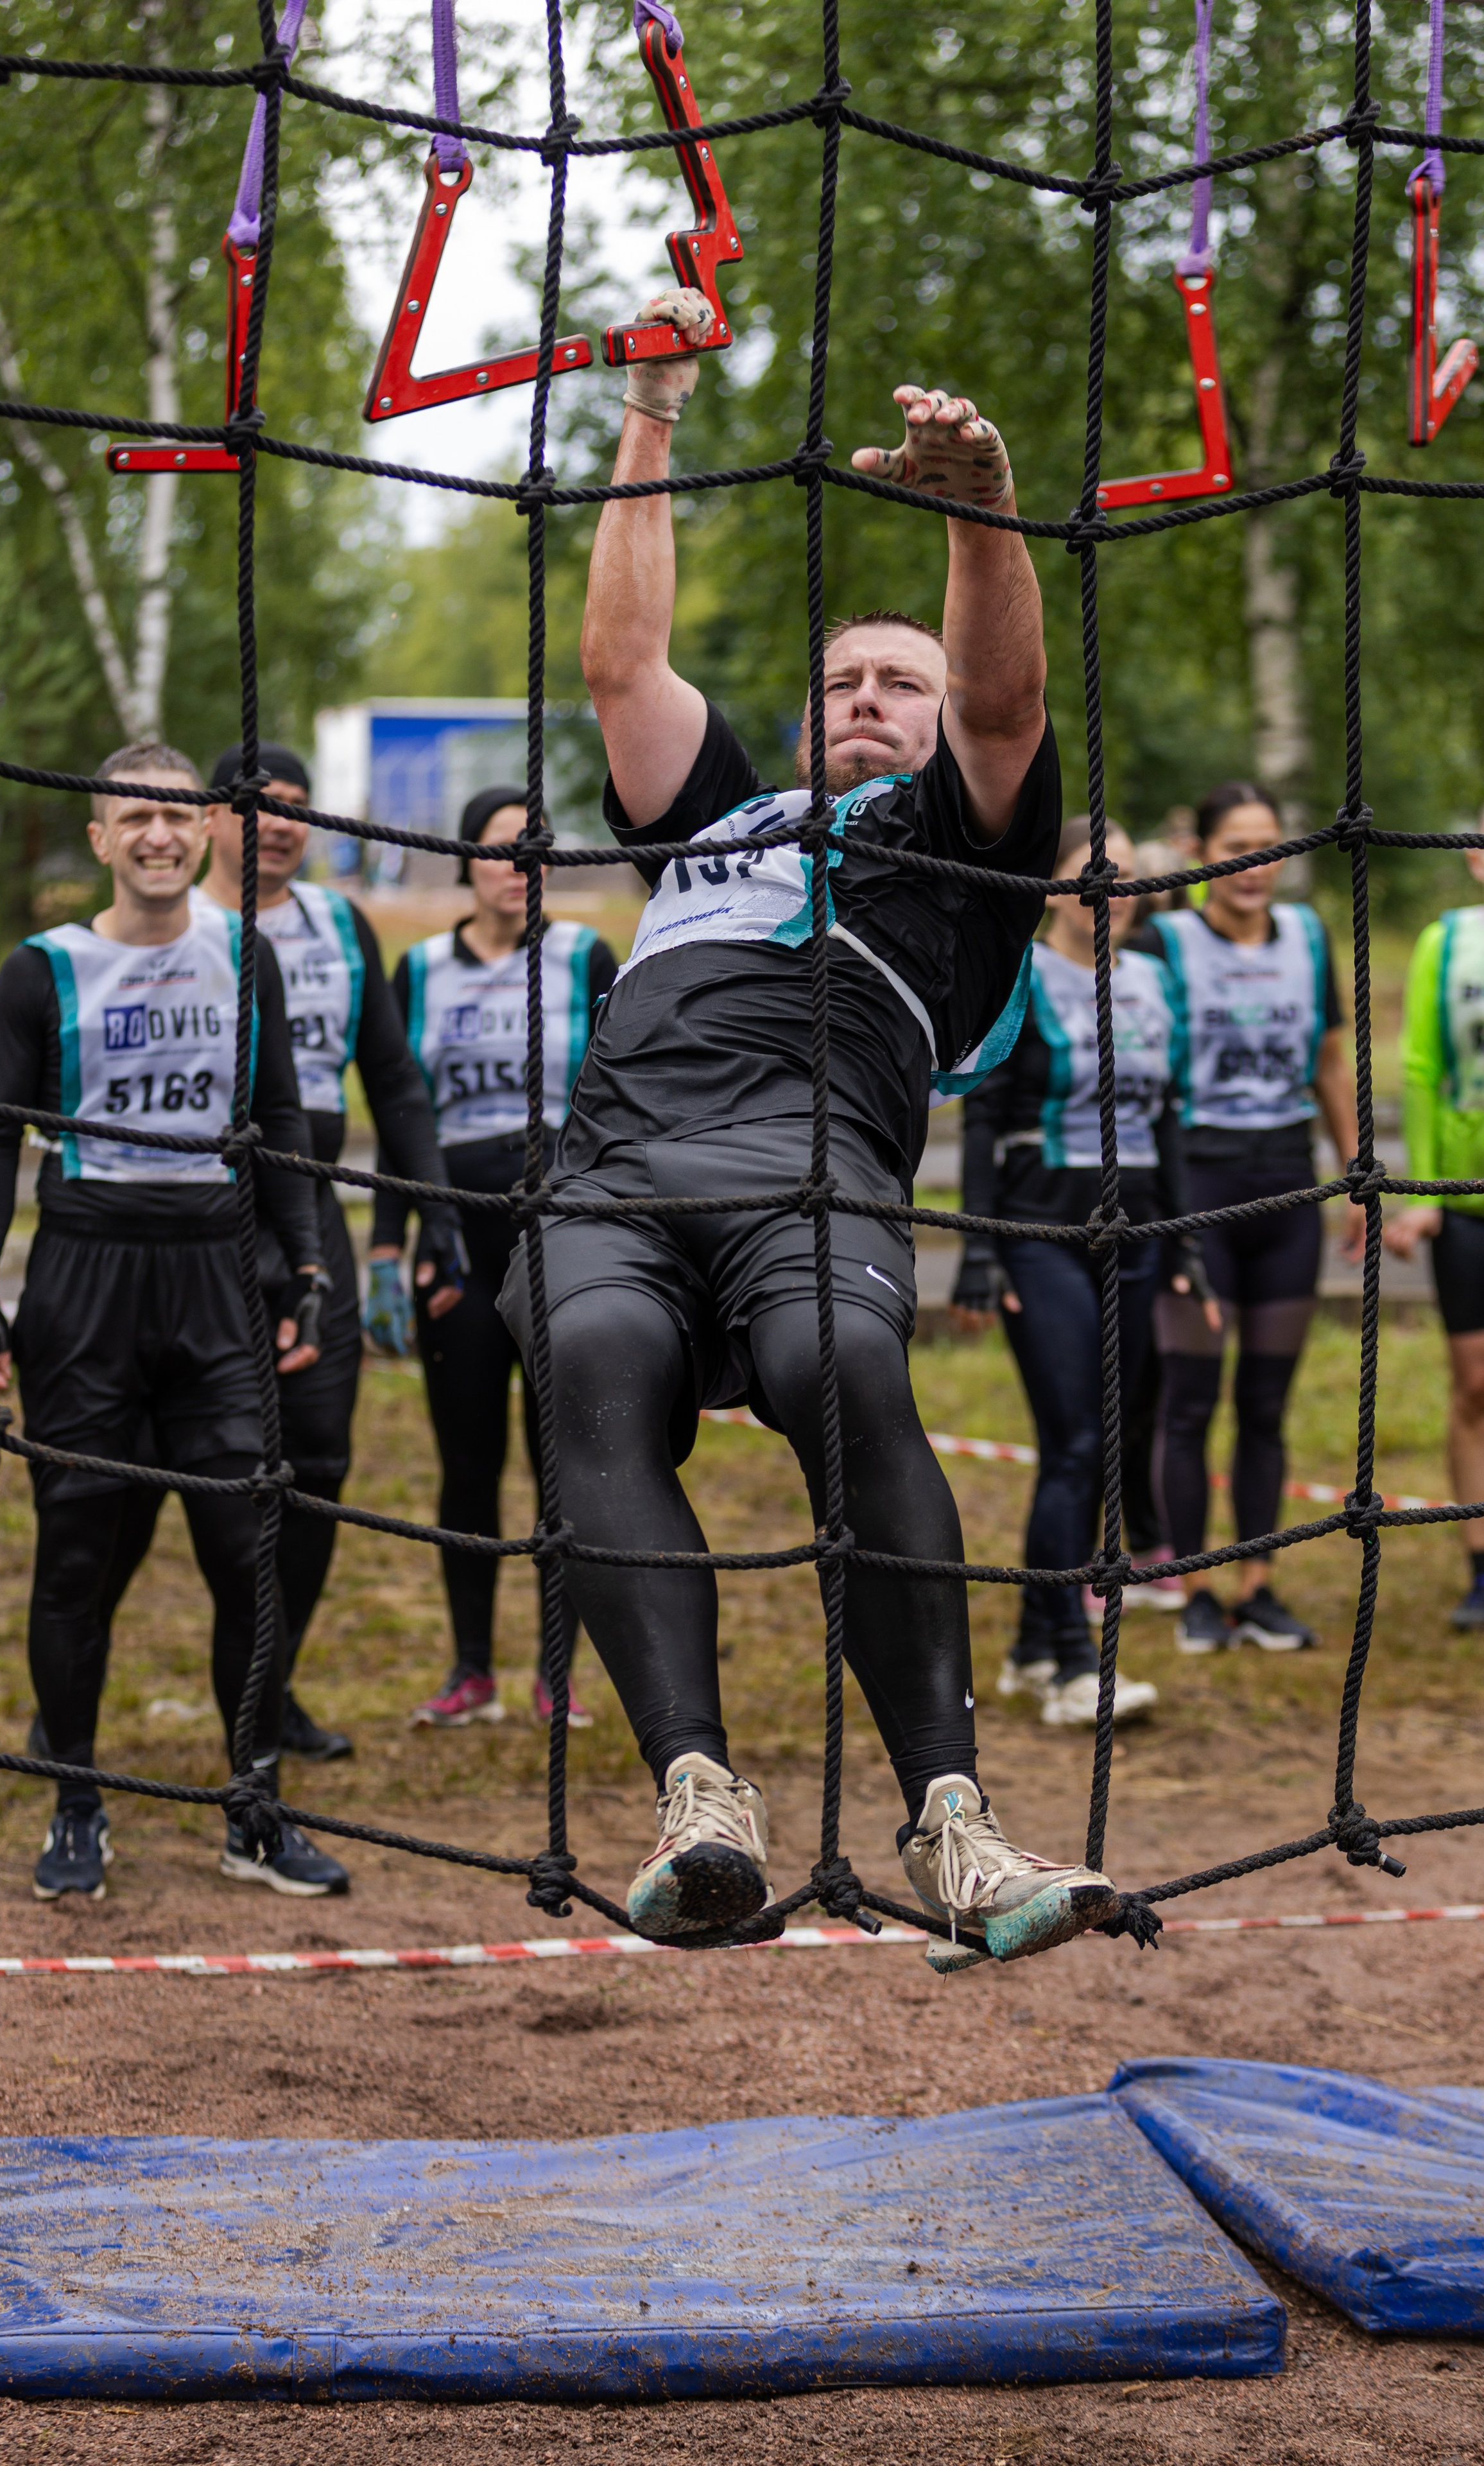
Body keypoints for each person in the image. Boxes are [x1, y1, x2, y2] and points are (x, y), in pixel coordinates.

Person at [492, 284, 1122, 1973]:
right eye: (841, 678)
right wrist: (652, 405)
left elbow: (1002, 711)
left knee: (845, 1380)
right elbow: (623, 661)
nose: (866, 694)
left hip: (809, 1179)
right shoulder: (722, 821)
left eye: (895, 681)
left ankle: (956, 1825)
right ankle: (700, 1797)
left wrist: (979, 522)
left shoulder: (967, 845)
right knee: (592, 1363)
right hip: (617, 1170)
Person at [0, 740, 348, 1903]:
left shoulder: (247, 954)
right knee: (77, 1551)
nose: (159, 835)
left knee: (248, 1548)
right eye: (134, 817)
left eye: (177, 816)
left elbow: (278, 1113)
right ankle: (76, 1802)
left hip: (217, 1275)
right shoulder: (41, 971)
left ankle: (254, 1807)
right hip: (83, 1278)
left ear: (206, 829)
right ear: (100, 838)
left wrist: (308, 1261)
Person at [193, 742, 467, 1757]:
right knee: (141, 1467)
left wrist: (433, 1209)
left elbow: (394, 1080)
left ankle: (269, 1688)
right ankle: (69, 1699)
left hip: (307, 1205)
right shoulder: (172, 921)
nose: (284, 822)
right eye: (262, 805)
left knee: (318, 1459)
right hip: (189, 1204)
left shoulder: (339, 926)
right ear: (215, 819)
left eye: (300, 807)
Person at [952, 817, 1219, 1726]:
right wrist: (981, 1250)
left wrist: (1184, 1240)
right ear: (1054, 884)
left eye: (1131, 874)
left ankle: (1032, 1644)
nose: (1115, 887)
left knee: (1104, 1442)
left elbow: (1172, 1118)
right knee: (1072, 1444)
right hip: (1042, 1233)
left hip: (1139, 1235)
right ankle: (1072, 1663)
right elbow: (981, 1121)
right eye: (1094, 870)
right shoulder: (1017, 974)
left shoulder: (1153, 980)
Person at [390, 786, 617, 1730]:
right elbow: (404, 1117)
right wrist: (391, 1245)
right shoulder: (418, 969)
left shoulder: (582, 956)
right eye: (498, 848)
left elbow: (617, 1100)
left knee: (561, 1462)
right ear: (466, 860)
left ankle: (554, 1676)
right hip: (459, 1239)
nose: (516, 864)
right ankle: (470, 1665)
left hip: (560, 1234)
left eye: (534, 848)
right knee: (468, 1460)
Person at [1152, 781, 1363, 1654]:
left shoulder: (1309, 938)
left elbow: (1327, 1058)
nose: (1259, 866)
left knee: (1267, 1403)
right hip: (1196, 1183)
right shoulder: (1163, 940)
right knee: (1192, 1400)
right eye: (1241, 846)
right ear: (1205, 852)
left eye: (1274, 846)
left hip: (1286, 1184)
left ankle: (1259, 1585)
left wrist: (1356, 1168)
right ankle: (1193, 1587)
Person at [1386, 826, 1484, 1626]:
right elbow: (1420, 1069)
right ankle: (1479, 1561)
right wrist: (1419, 1190)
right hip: (1464, 1200)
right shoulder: (1445, 943)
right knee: (1476, 1386)